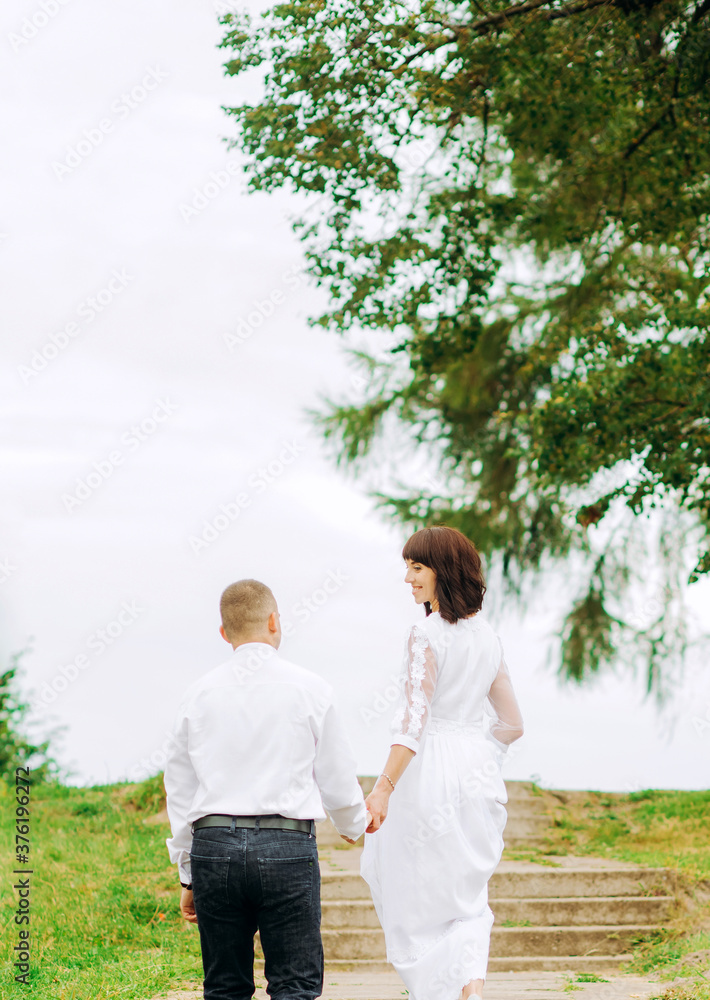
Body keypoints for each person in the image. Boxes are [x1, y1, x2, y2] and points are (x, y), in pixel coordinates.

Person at [164, 579, 367, 1000]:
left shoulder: (196, 694)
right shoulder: (311, 688)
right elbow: (335, 772)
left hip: (214, 848)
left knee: (224, 987)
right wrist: (353, 824)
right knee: (294, 985)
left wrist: (188, 874)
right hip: (286, 846)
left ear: (224, 633)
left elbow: (180, 790)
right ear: (274, 621)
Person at [361, 526, 524, 1000]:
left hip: (428, 775)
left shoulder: (425, 634)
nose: (408, 579)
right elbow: (512, 724)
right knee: (467, 897)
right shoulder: (490, 637)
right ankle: (469, 985)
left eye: (417, 568)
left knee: (416, 895)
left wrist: (383, 787)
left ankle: (434, 990)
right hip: (478, 774)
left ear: (442, 572)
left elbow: (413, 722)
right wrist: (477, 751)